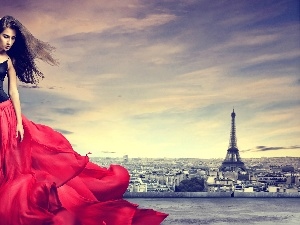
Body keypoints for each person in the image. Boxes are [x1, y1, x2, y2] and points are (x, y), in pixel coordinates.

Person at [0, 15, 168, 225]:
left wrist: (17, 121)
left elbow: (14, 91)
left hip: (5, 113)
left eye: (13, 38)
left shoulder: (7, 61)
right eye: (6, 36)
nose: (9, 42)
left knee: (9, 164)